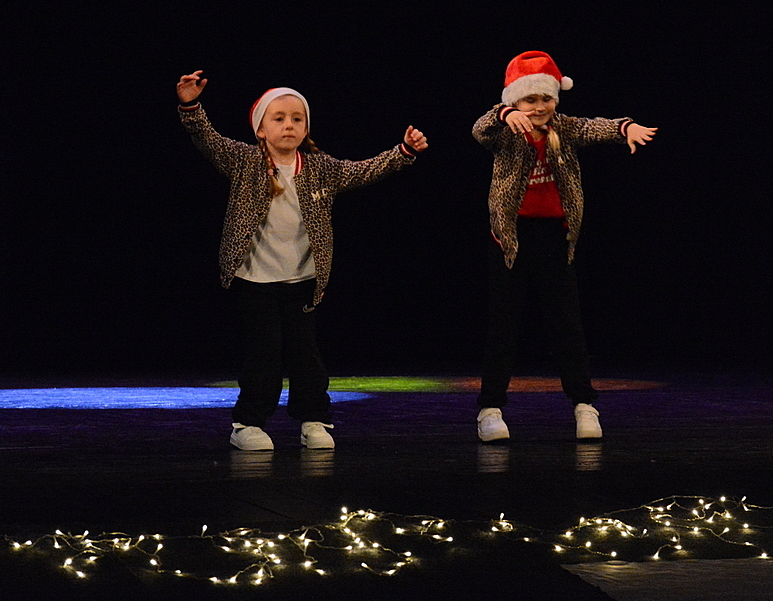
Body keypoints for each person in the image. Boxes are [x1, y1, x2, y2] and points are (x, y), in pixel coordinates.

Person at [176, 70, 428, 451]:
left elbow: (362, 170)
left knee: (306, 356)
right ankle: (247, 423)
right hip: (255, 281)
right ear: (261, 129)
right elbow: (207, 139)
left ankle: (313, 419)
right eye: (278, 118)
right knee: (264, 354)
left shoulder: (319, 167)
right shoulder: (245, 161)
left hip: (303, 281)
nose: (289, 125)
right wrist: (191, 106)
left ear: (306, 127)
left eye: (297, 119)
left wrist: (403, 152)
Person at [472, 51, 656, 443]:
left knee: (567, 326)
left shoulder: (565, 128)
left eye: (546, 98)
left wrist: (624, 128)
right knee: (504, 327)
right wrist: (504, 113)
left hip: (556, 239)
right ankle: (490, 410)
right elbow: (479, 129)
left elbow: (595, 126)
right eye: (530, 99)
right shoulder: (506, 130)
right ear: (516, 100)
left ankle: (584, 405)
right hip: (512, 241)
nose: (539, 107)